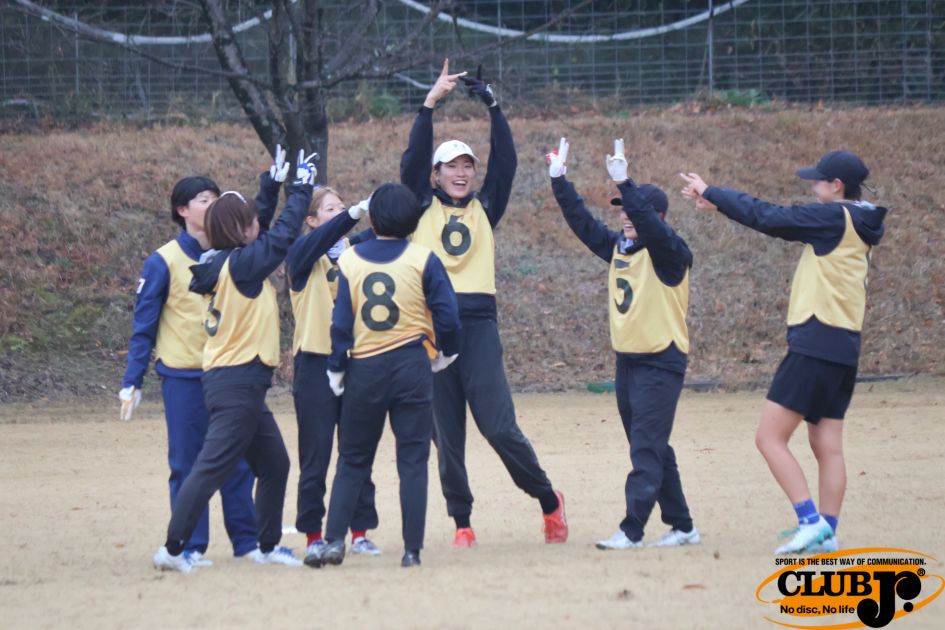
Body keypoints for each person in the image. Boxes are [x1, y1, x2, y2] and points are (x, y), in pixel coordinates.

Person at [679, 150, 887, 554]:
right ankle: (828, 530)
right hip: (844, 345)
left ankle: (809, 522)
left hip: (815, 341)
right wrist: (720, 205)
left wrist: (712, 191)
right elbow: (770, 218)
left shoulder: (833, 218)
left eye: (818, 180)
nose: (812, 185)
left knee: (769, 438)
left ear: (837, 186)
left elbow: (770, 217)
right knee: (827, 445)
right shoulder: (860, 221)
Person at [401, 59, 567, 547]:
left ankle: (548, 500)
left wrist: (492, 105)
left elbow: (507, 162)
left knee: (498, 427)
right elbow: (411, 162)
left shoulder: (485, 207)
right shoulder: (419, 207)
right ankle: (463, 523)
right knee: (446, 439)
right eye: (450, 166)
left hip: (477, 328)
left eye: (467, 165)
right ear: (435, 176)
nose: (461, 172)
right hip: (432, 332)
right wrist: (429, 104)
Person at [153, 150, 318, 572]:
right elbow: (280, 234)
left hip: (238, 382)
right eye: (250, 223)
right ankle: (172, 549)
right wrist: (300, 188)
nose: (256, 225)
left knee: (275, 464)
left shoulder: (225, 260)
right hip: (237, 382)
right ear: (242, 231)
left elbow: (251, 224)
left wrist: (270, 186)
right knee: (209, 469)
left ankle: (265, 545)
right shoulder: (242, 265)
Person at [123, 160, 293, 565]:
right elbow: (144, 325)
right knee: (191, 463)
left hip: (231, 370)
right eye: (203, 199)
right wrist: (132, 379)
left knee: (243, 465)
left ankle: (248, 543)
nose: (211, 204)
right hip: (185, 375)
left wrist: (270, 188)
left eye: (216, 199)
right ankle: (188, 547)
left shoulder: (233, 255)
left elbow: (255, 226)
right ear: (182, 209)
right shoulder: (164, 260)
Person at [548, 138, 699, 550]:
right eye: (623, 211)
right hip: (628, 362)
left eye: (635, 212)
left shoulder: (671, 253)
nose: (627, 217)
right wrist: (559, 181)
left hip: (661, 360)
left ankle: (632, 529)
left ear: (657, 217)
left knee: (646, 449)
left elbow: (655, 230)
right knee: (650, 445)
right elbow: (583, 224)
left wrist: (626, 184)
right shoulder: (619, 247)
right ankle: (683, 526)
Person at [306, 183, 461, 569]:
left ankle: (334, 541)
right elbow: (448, 316)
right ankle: (411, 551)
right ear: (413, 220)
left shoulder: (351, 260)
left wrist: (336, 368)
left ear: (372, 220)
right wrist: (445, 352)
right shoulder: (424, 259)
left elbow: (341, 322)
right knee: (412, 460)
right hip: (411, 366)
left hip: (365, 369)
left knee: (352, 458)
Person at [285, 186, 381, 558]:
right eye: (331, 209)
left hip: (355, 361)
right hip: (315, 364)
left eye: (342, 207)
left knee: (357, 451)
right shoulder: (301, 254)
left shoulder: (354, 255)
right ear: (311, 220)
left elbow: (390, 227)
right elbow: (323, 240)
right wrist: (353, 214)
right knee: (316, 454)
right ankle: (313, 536)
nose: (340, 212)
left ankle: (359, 533)